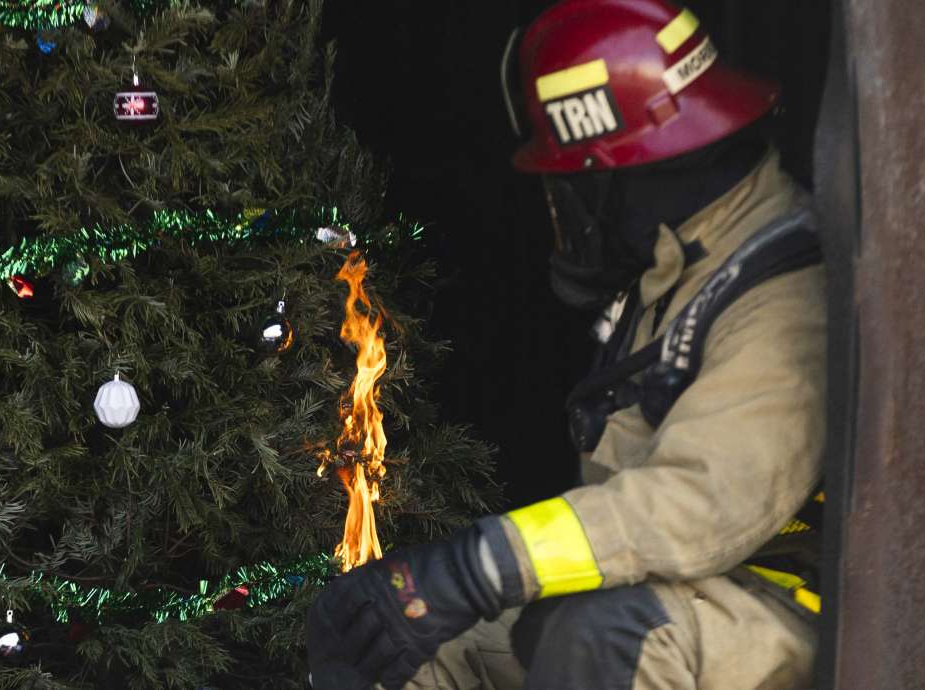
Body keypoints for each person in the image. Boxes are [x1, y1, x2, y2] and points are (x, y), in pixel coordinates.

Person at [306, 1, 826, 688]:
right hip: (667, 588)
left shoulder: (779, 290)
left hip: (772, 608)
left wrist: (476, 569)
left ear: (610, 170)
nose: (557, 212)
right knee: (400, 647)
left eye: (563, 186)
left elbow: (702, 501)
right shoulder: (681, 263)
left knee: (600, 638)